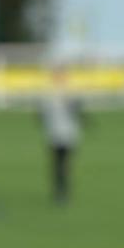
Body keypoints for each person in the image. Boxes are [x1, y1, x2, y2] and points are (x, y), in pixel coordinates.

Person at [38, 67, 87, 204]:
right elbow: (41, 115)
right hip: (53, 134)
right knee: (57, 165)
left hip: (69, 134)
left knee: (65, 164)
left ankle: (64, 191)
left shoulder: (71, 92)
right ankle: (59, 191)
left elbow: (78, 111)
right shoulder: (48, 94)